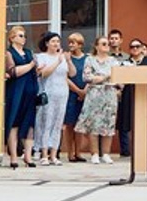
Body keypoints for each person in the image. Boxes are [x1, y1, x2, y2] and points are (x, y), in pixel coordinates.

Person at [78, 35, 119, 163]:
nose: (107, 46)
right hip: (94, 94)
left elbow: (117, 77)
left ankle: (106, 153)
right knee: (93, 123)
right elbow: (87, 77)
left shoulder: (113, 61)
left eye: (107, 44)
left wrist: (101, 77)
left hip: (109, 94)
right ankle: (94, 153)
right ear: (97, 46)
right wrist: (105, 77)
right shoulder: (90, 60)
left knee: (108, 122)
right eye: (103, 44)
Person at [3, 24, 37, 168]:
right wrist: (30, 66)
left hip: (30, 89)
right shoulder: (9, 53)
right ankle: (13, 156)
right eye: (20, 35)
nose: (24, 38)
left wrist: (36, 68)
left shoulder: (29, 52)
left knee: (29, 123)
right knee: (14, 122)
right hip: (16, 90)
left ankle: (28, 156)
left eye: (24, 36)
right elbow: (12, 72)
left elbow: (36, 70)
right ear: (12, 38)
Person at [34, 32, 70, 165]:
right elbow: (43, 74)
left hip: (62, 92)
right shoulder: (41, 57)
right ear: (47, 43)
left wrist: (68, 60)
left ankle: (54, 154)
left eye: (58, 41)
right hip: (48, 92)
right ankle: (44, 154)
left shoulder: (62, 57)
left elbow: (70, 73)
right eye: (53, 41)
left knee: (58, 123)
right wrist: (57, 61)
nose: (56, 44)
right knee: (46, 122)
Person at [62, 31, 88, 162]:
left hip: (85, 94)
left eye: (73, 42)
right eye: (69, 42)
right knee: (70, 124)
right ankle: (70, 152)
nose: (70, 45)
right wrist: (78, 91)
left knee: (80, 124)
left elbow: (90, 75)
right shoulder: (67, 58)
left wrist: (84, 92)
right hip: (71, 94)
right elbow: (65, 77)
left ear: (80, 44)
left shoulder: (87, 59)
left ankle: (79, 152)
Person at [108, 29, 133, 157]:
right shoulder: (105, 56)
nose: (113, 41)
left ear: (121, 40)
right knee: (107, 120)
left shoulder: (127, 57)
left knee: (123, 120)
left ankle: (125, 149)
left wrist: (121, 87)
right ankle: (104, 150)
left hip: (124, 92)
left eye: (116, 38)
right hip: (108, 90)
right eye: (111, 38)